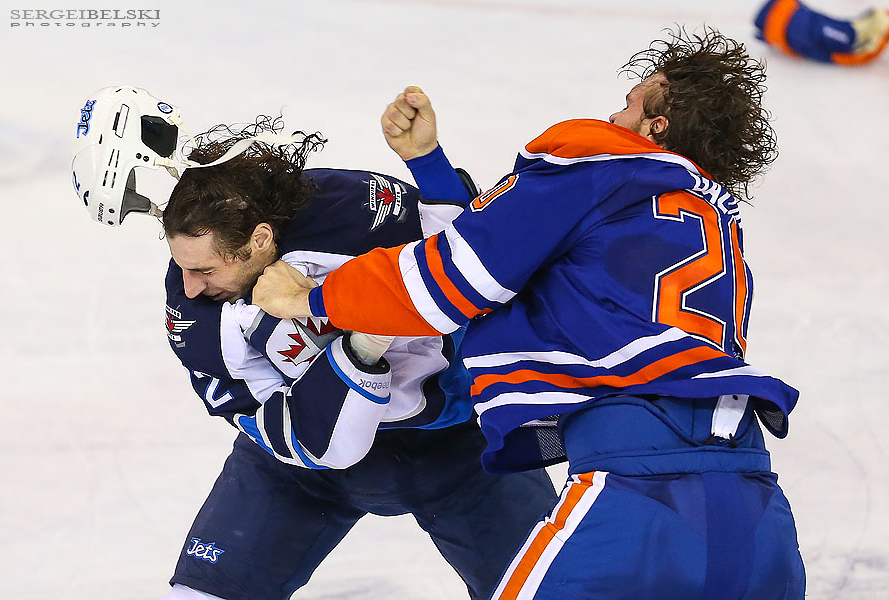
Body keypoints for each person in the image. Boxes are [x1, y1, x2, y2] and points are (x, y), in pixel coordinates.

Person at [252, 28, 806, 599]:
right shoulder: (716, 222)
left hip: (637, 486)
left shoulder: (598, 165)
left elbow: (454, 280)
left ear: (655, 126)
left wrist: (313, 299)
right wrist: (430, 166)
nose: (615, 111)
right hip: (754, 497)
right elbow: (518, 252)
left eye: (631, 102)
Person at [70, 87, 557, 600]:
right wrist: (358, 343)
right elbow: (320, 445)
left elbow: (473, 258)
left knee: (562, 592)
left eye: (204, 269)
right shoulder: (195, 315)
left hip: (465, 448)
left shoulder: (349, 208)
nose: (189, 286)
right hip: (303, 471)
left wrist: (427, 163)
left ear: (259, 238)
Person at [754, 0, 889, 64]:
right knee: (846, 39)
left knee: (845, 37)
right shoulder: (847, 39)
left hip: (781, 22)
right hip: (782, 25)